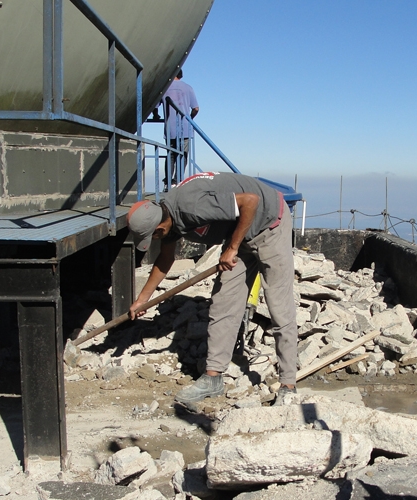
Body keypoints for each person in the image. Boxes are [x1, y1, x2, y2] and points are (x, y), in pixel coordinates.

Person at [127, 172, 297, 412]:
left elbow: (250, 201)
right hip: (239, 232)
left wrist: (232, 248)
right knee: (223, 303)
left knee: (279, 308)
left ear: (160, 227)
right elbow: (165, 259)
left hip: (270, 223)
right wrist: (143, 300)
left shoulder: (190, 207)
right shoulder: (167, 218)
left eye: (152, 235)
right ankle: (213, 378)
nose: (153, 239)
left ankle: (288, 386)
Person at [162, 69, 199, 188]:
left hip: (170, 129)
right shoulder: (188, 88)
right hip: (185, 128)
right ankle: (177, 181)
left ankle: (168, 182)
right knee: (183, 155)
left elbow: (155, 105)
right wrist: (190, 119)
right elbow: (196, 108)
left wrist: (157, 114)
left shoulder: (164, 88)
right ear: (181, 75)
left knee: (170, 155)